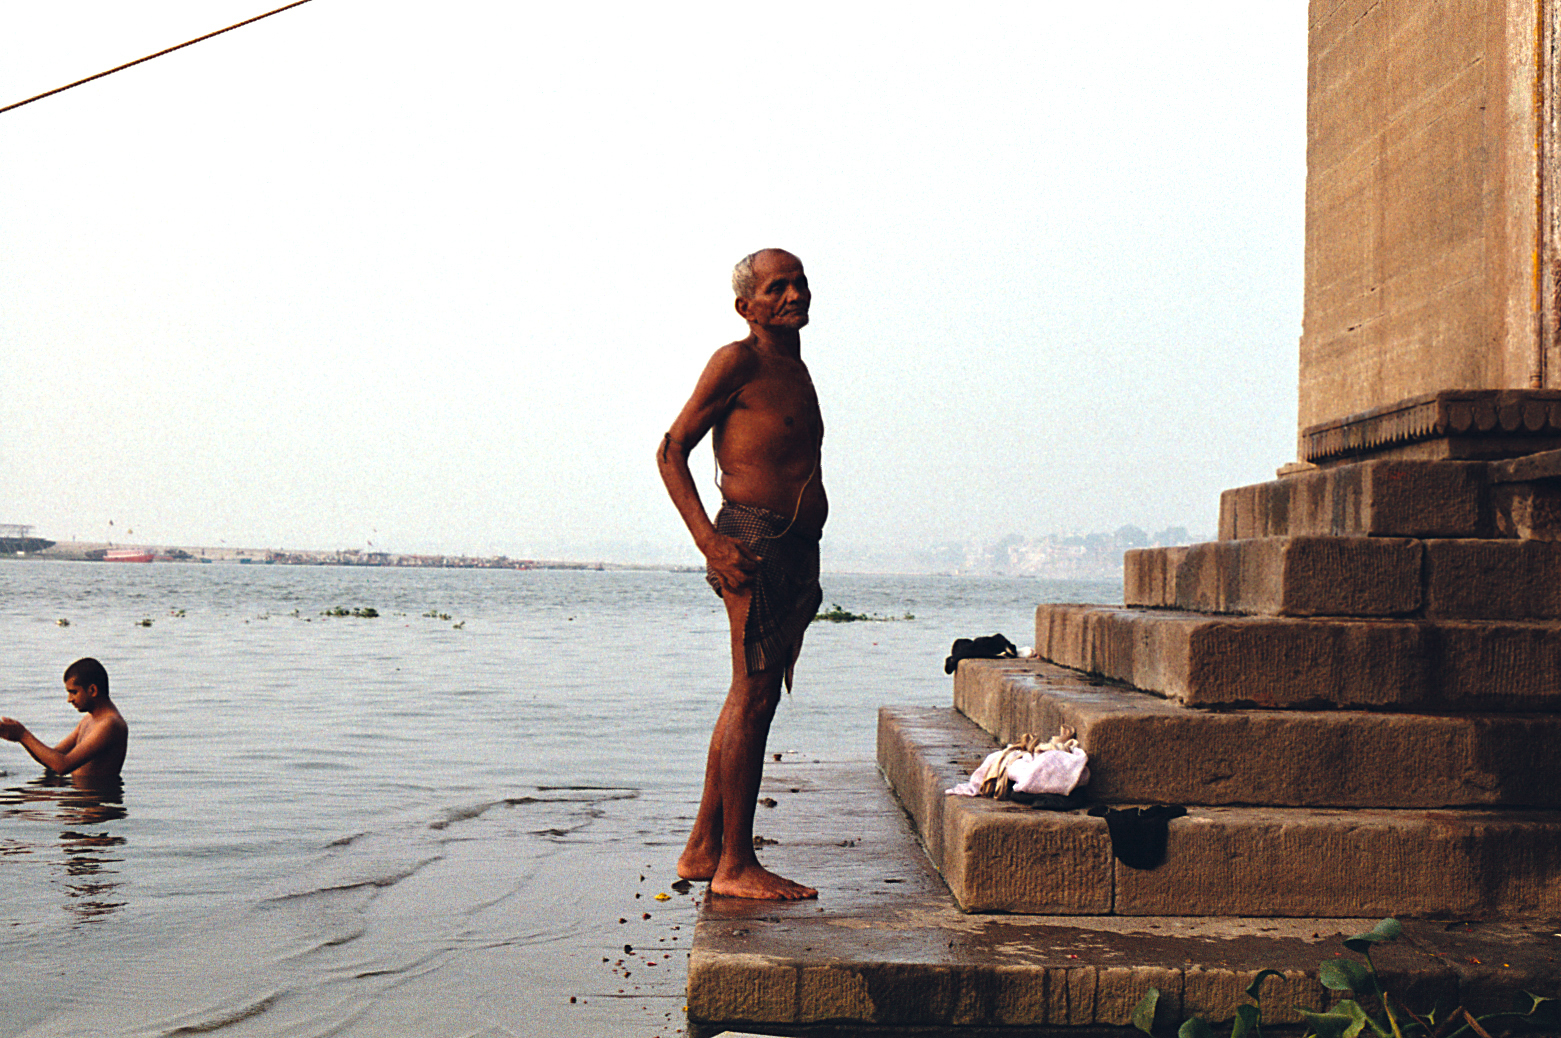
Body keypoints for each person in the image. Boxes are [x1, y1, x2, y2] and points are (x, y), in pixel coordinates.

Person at [657, 248, 827, 901]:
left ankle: (704, 847)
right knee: (752, 696)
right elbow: (671, 449)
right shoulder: (737, 361)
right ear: (745, 306)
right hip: (752, 542)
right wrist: (709, 542)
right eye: (777, 287)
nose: (794, 294)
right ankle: (735, 864)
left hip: (796, 548)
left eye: (799, 282)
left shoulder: (795, 368)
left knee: (753, 696)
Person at [0, 658, 128, 783]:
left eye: (74, 692)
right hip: (78, 793)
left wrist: (23, 734)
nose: (69, 699)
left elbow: (62, 766)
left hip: (97, 797)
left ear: (92, 690)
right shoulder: (88, 719)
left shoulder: (111, 724)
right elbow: (51, 760)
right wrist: (19, 738)